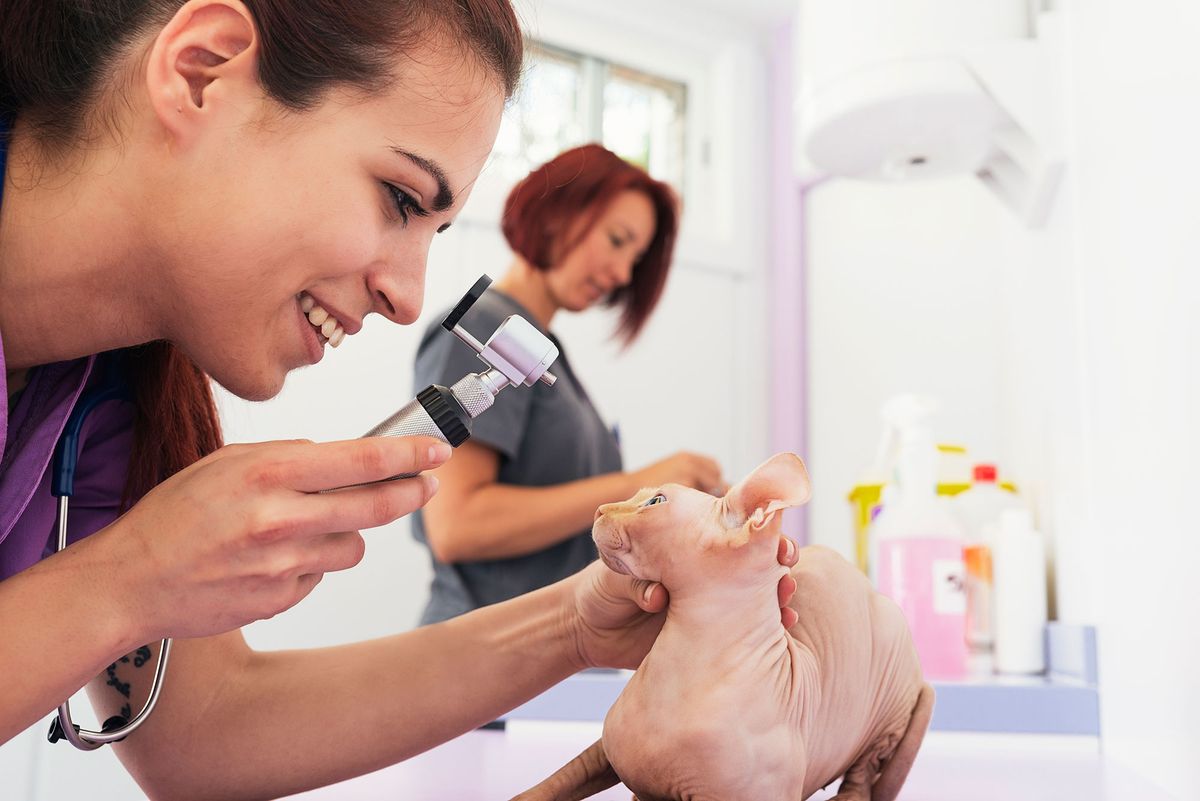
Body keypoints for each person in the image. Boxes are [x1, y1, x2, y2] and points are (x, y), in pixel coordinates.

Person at [0, 1, 798, 797]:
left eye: (434, 230)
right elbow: (459, 526)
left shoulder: (105, 407)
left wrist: (577, 622)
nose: (408, 297)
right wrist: (132, 575)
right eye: (401, 198)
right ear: (202, 72)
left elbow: (206, 728)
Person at [413, 144, 726, 624]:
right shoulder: (483, 328)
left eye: (636, 258)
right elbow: (456, 524)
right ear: (558, 214)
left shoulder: (542, 349)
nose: (623, 273)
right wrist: (632, 487)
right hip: (485, 654)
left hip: (544, 655)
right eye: (618, 240)